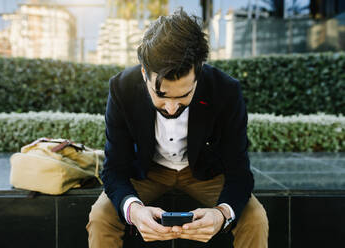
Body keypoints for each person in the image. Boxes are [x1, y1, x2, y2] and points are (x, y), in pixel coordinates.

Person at [86, 8, 268, 248]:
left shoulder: (226, 90)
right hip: (147, 171)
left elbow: (239, 170)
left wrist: (222, 214)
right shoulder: (122, 88)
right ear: (144, 73)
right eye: (160, 96)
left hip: (205, 173)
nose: (171, 108)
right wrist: (133, 210)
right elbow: (114, 168)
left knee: (255, 219)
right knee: (100, 218)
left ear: (198, 75)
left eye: (183, 96)